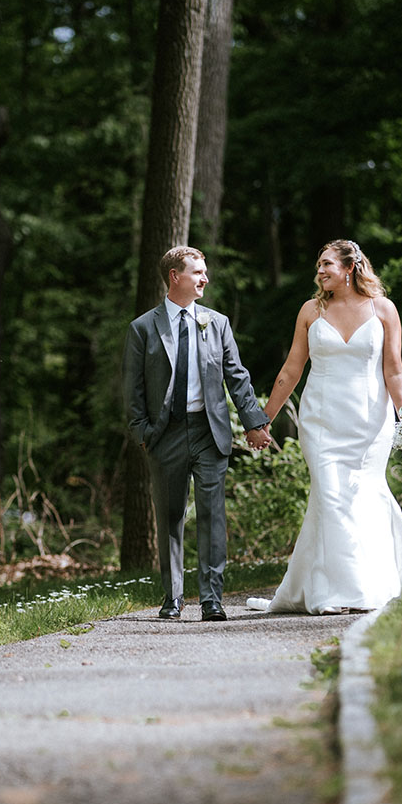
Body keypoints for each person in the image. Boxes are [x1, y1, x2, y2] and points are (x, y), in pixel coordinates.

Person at [247, 239, 402, 615]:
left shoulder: (383, 309)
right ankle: (341, 591)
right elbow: (291, 370)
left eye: (326, 265)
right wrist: (262, 419)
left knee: (364, 495)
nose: (319, 272)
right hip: (321, 421)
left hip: (371, 422)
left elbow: (394, 368)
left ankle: (367, 581)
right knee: (331, 495)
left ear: (350, 268)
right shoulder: (310, 311)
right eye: (319, 266)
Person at [123, 246, 271, 621]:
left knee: (211, 515)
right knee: (171, 516)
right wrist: (142, 433)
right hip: (165, 434)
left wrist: (254, 422)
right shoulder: (143, 328)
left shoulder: (216, 323)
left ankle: (211, 599)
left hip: (209, 432)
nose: (205, 278)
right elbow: (133, 389)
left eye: (204, 272)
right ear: (175, 276)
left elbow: (237, 377)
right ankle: (172, 597)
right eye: (197, 272)